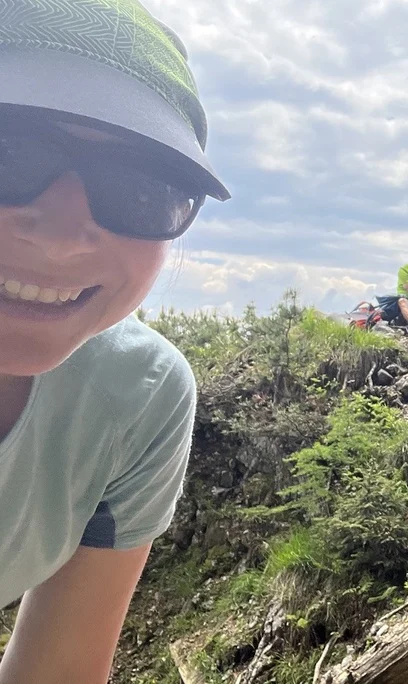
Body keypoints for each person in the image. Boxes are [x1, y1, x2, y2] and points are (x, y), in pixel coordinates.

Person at [0, 1, 230, 679]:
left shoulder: (138, 395)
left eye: (138, 187)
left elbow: (57, 670)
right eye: (9, 151)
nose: (65, 235)